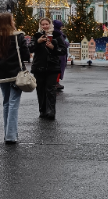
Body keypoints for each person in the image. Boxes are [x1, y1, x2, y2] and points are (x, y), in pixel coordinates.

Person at [0, 12, 31, 144]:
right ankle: (11, 135)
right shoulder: (18, 36)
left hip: (2, 74)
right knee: (13, 103)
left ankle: (8, 133)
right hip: (16, 74)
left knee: (6, 102)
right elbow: (26, 55)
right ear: (10, 21)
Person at [30, 16, 66, 120]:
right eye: (43, 24)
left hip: (52, 66)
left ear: (50, 25)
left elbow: (63, 50)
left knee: (50, 89)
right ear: (40, 26)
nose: (45, 26)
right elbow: (30, 48)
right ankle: (42, 110)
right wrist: (38, 42)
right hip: (39, 67)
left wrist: (53, 48)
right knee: (40, 89)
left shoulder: (57, 35)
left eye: (47, 24)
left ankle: (51, 111)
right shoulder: (37, 35)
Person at [53, 20, 69, 91]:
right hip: (60, 54)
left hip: (59, 53)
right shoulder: (58, 34)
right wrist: (67, 43)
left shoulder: (57, 33)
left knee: (58, 68)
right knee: (59, 68)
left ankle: (56, 82)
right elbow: (64, 43)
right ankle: (55, 82)